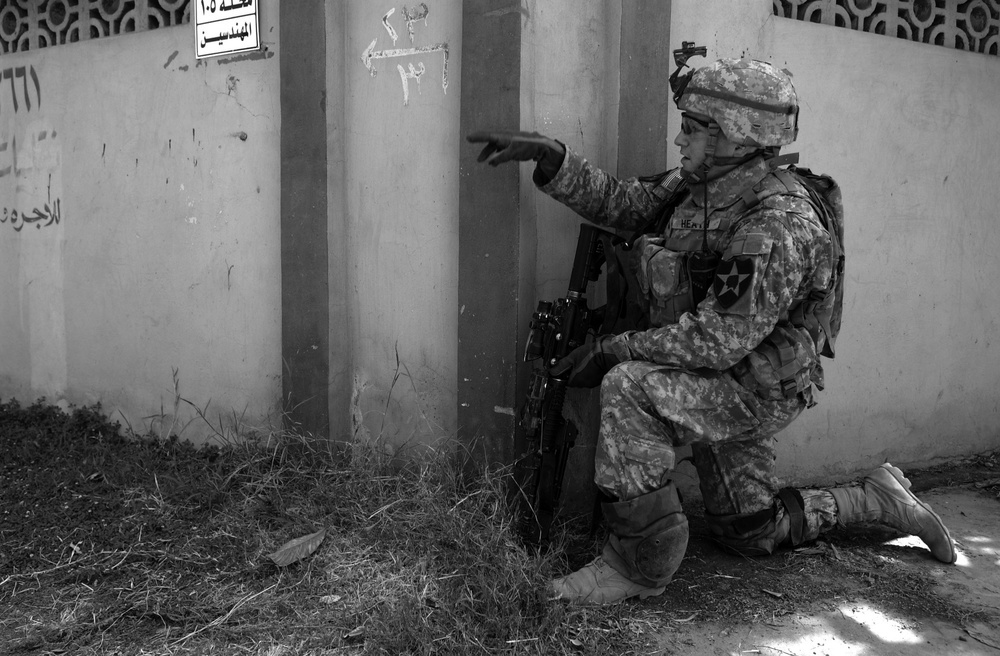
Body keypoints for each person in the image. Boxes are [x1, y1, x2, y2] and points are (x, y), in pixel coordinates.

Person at [468, 52, 957, 605]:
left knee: (630, 385)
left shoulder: (778, 221)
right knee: (750, 532)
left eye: (694, 131)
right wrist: (553, 159)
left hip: (752, 390)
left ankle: (636, 565)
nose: (680, 142)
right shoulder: (699, 185)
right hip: (719, 377)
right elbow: (627, 206)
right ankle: (876, 500)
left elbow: (718, 338)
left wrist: (610, 349)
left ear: (737, 137)